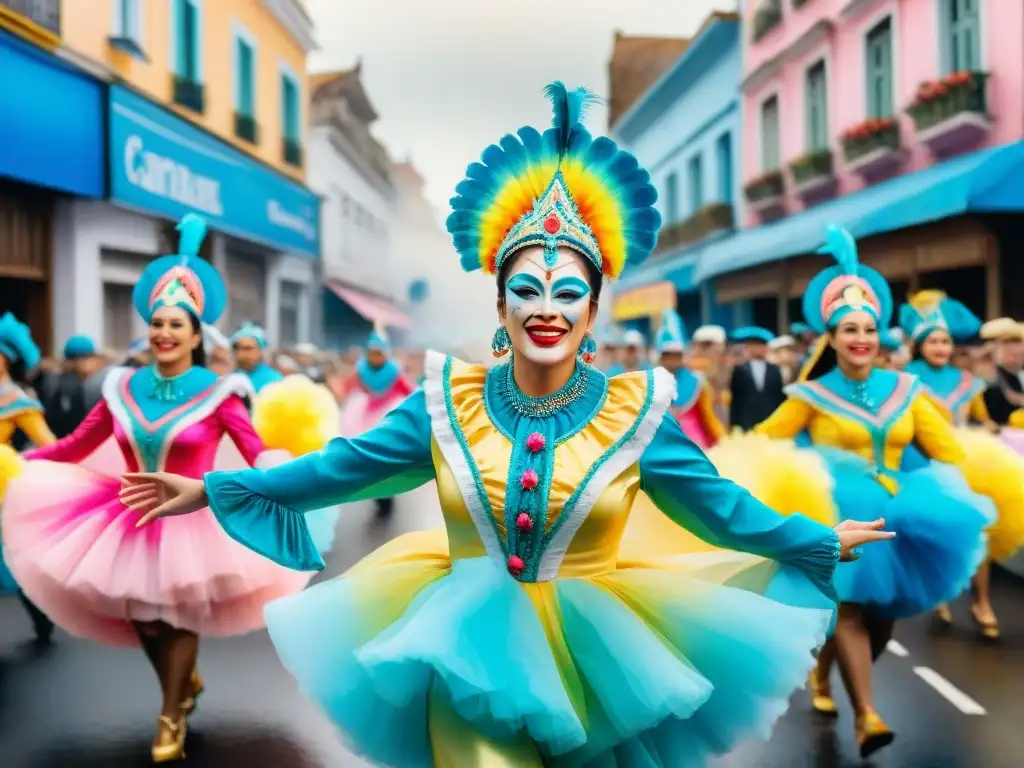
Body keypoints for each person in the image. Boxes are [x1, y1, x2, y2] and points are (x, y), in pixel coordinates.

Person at [120, 82, 892, 768]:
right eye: (526, 288)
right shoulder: (444, 402)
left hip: (602, 665)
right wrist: (217, 487)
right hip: (465, 656)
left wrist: (814, 539)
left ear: (592, 312)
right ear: (499, 306)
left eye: (567, 293)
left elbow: (720, 509)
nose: (546, 308)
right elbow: (341, 465)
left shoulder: (636, 414)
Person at [0, 215, 332, 763]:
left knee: (173, 617)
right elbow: (75, 445)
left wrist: (293, 474)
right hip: (125, 516)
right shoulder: (121, 386)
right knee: (143, 619)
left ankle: (172, 710)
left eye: (177, 324)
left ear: (197, 334)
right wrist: (19, 462)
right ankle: (183, 683)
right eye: (157, 323)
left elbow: (253, 449)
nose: (164, 333)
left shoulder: (220, 391)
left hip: (193, 520)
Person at [748, 225, 991, 757]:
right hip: (838, 518)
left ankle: (824, 672)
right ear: (830, 338)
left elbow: (946, 449)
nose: (860, 337)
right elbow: (763, 443)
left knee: (881, 623)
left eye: (868, 328)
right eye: (848, 328)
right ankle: (867, 715)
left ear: (879, 336)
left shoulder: (908, 390)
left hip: (899, 518)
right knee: (851, 611)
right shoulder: (809, 394)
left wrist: (949, 484)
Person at [900, 291, 1024, 639]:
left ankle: (981, 601)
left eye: (945, 341)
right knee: (935, 534)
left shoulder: (967, 381)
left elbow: (983, 419)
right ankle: (939, 592)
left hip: (965, 461)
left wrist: (998, 428)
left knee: (977, 529)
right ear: (919, 344)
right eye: (933, 341)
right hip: (921, 461)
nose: (940, 347)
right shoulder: (905, 379)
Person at [0, 313, 56, 644]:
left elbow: (49, 443)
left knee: (12, 559)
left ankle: (40, 613)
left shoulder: (17, 400)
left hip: (2, 484)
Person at [337, 325, 416, 519]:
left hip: (388, 419)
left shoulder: (394, 372)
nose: (375, 357)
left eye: (379, 353)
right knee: (368, 460)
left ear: (386, 354)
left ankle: (386, 495)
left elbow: (410, 392)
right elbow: (345, 387)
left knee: (387, 460)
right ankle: (379, 493)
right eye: (372, 353)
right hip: (363, 419)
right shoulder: (361, 369)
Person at [655, 308, 724, 449]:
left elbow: (709, 418)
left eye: (676, 355)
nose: (672, 360)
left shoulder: (698, 382)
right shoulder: (646, 383)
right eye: (667, 355)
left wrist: (722, 442)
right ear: (660, 357)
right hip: (660, 448)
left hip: (695, 446)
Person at [728, 327, 785, 431]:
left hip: (770, 418)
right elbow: (735, 397)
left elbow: (779, 395)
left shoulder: (774, 369)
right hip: (746, 420)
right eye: (755, 345)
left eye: (763, 345)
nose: (760, 348)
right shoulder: (739, 369)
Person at [980, 318, 1024, 425]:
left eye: (1017, 342)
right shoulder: (988, 378)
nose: (1014, 349)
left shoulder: (1018, 374)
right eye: (1006, 343)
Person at [231, 322, 284, 393]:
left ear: (261, 350)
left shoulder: (273, 381)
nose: (241, 354)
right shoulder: (230, 380)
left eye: (248, 348)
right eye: (237, 348)